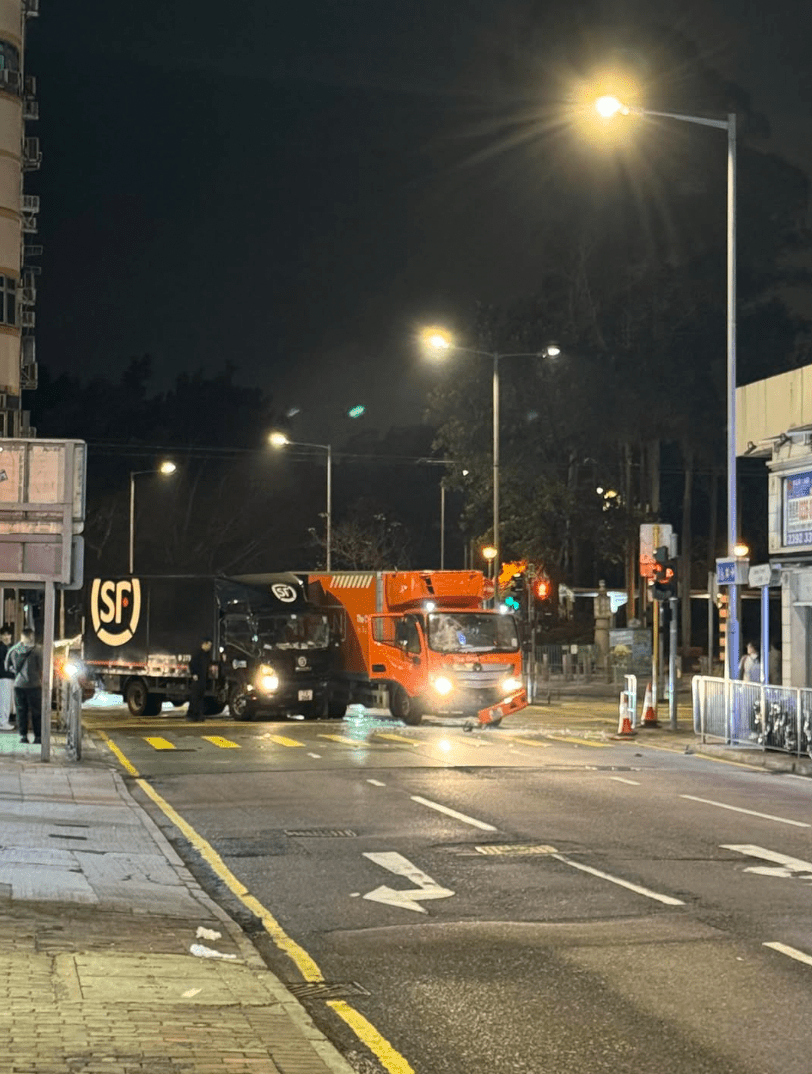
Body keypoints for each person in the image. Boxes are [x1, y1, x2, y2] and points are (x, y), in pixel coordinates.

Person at [6, 627, 43, 744]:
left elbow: (7, 667)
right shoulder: (38, 650)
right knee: (36, 712)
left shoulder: (14, 650)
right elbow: (42, 667)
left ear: (22, 637)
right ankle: (38, 737)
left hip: (19, 685)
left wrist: (18, 674)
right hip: (35, 685)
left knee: (21, 711)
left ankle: (23, 736)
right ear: (32, 637)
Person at [186, 637, 213, 723]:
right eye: (208, 645)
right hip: (197, 678)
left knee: (201, 697)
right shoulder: (197, 653)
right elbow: (191, 664)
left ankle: (199, 715)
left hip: (203, 678)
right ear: (204, 644)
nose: (209, 647)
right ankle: (192, 714)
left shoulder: (207, 654)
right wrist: (194, 674)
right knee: (195, 697)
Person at [0, 626, 15, 730]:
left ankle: (4, 721)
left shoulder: (11, 647)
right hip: (3, 677)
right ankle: (3, 722)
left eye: (8, 634)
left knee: (8, 700)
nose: (6, 637)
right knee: (4, 700)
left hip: (10, 676)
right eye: (4, 635)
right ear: (0, 637)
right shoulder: (1, 648)